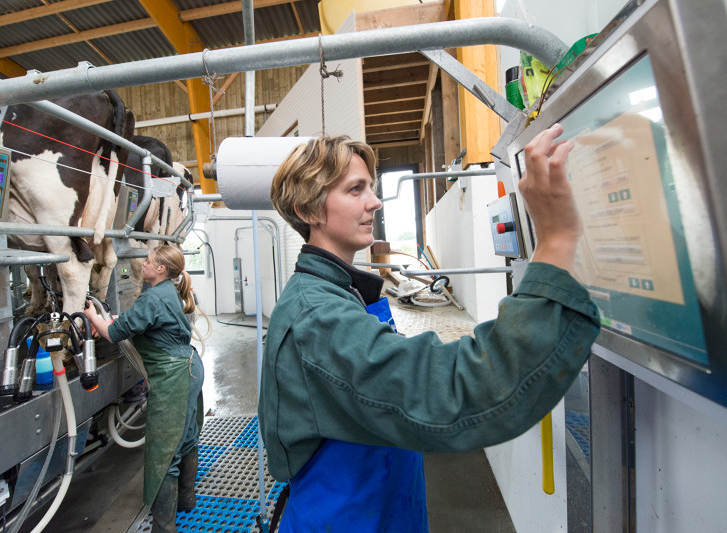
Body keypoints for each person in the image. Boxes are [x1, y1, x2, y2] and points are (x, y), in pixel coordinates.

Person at [257, 125, 600, 532]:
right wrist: (557, 239)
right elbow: (454, 392)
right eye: (356, 190)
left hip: (376, 510)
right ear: (308, 210)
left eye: (372, 187)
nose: (376, 202)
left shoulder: (338, 291)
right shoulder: (317, 315)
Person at [84, 244, 204, 533]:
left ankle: (164, 528)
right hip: (188, 367)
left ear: (160, 269)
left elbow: (113, 334)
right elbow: (132, 323)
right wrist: (110, 320)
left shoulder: (152, 298)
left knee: (163, 453)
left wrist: (91, 314)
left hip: (173, 376)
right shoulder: (166, 292)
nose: (143, 265)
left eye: (148, 262)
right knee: (185, 437)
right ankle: (186, 500)